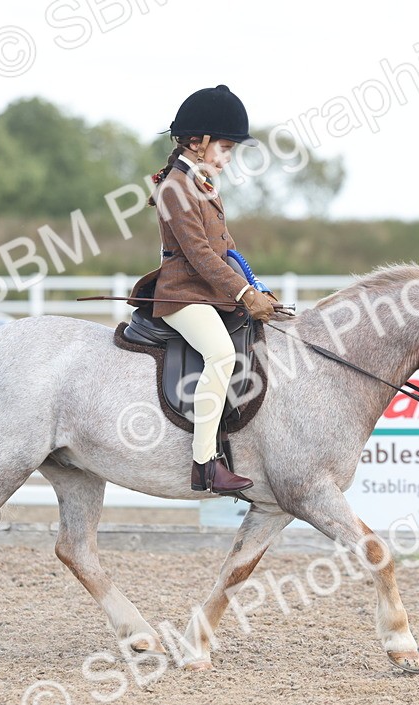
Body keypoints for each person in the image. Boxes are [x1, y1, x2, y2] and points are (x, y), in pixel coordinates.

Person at [129, 85, 276, 495]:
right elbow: (198, 254)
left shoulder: (203, 184)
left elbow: (226, 248)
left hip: (208, 291)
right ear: (198, 142)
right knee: (221, 353)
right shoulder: (176, 187)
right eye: (225, 149)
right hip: (181, 294)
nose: (229, 159)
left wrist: (256, 285)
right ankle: (204, 465)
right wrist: (244, 295)